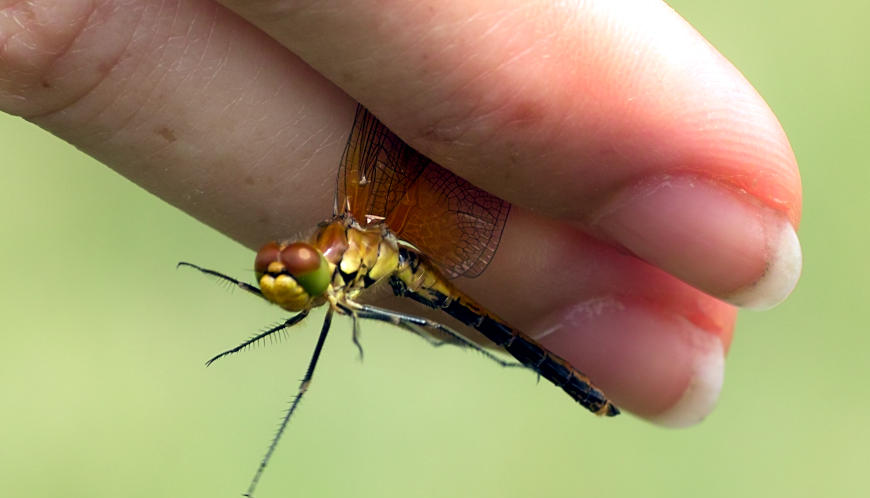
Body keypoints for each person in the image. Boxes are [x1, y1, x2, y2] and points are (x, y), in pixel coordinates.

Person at [0, 0, 801, 425]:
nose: (280, 264)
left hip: (424, 265)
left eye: (287, 264)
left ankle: (571, 375)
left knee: (469, 325)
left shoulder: (355, 233)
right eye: (284, 266)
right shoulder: (326, 260)